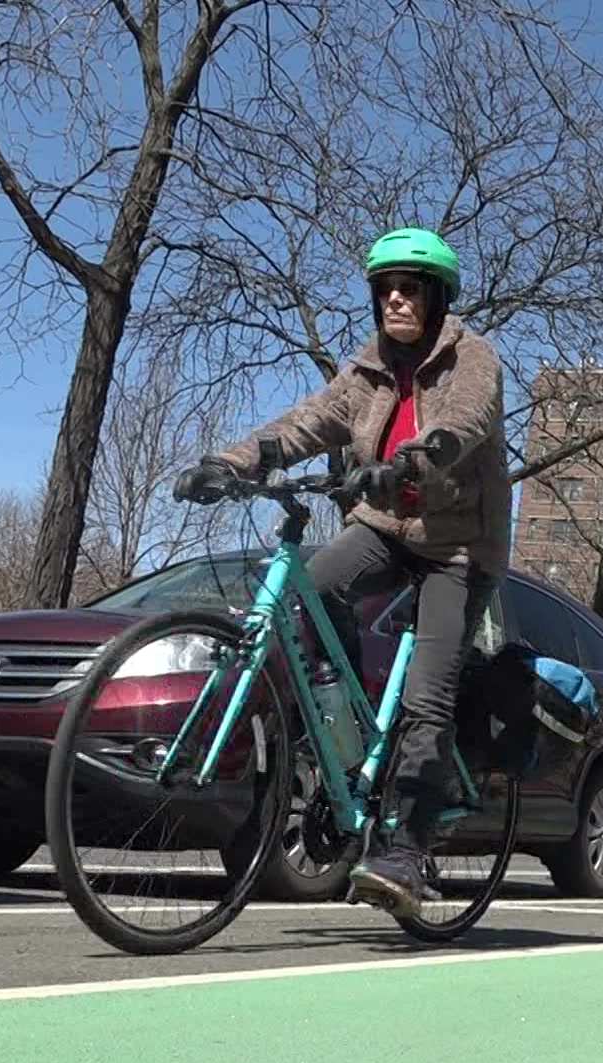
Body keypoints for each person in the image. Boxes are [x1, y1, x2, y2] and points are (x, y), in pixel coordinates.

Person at [171, 227, 508, 917]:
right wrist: (232, 463)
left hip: (459, 549)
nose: (395, 297)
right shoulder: (366, 372)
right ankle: (351, 735)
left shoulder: (473, 359)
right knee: (312, 595)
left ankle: (406, 854)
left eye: (410, 286)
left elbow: (463, 424)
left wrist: (411, 460)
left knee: (428, 696)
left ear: (438, 297)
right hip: (384, 528)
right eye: (384, 287)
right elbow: (302, 425)